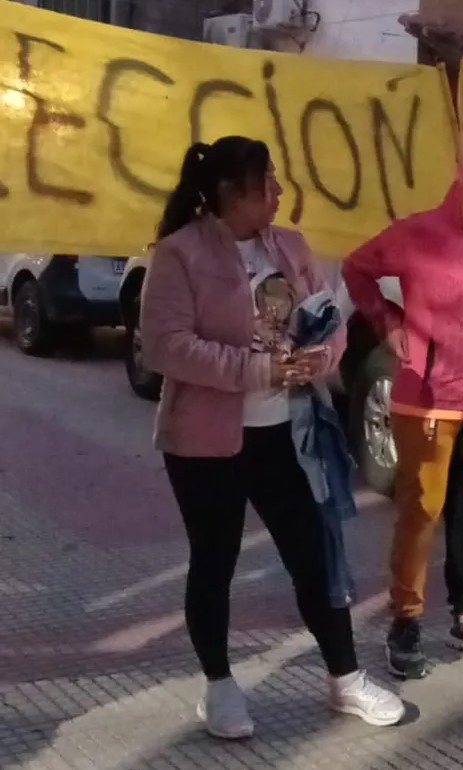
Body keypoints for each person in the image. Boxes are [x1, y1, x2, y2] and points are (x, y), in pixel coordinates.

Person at [141, 136, 404, 739]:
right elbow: (167, 346)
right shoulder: (179, 254)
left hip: (290, 433)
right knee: (215, 561)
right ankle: (219, 687)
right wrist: (259, 370)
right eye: (268, 182)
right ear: (233, 193)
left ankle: (345, 678)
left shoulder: (289, 245)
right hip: (204, 444)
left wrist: (321, 357)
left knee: (314, 556)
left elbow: (329, 322)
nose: (280, 192)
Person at [343, 146, 463, 680]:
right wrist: (388, 322)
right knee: (420, 514)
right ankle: (405, 621)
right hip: (428, 396)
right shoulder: (418, 233)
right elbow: (357, 268)